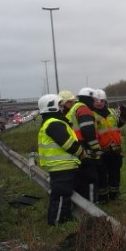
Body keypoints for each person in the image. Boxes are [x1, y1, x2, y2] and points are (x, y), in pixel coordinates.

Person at [37, 94, 86, 226]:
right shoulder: (54, 124)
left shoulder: (52, 122)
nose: (63, 108)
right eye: (60, 105)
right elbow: (67, 143)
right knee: (60, 197)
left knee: (63, 196)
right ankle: (57, 223)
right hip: (62, 166)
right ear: (52, 107)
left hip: (61, 166)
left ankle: (63, 218)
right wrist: (80, 152)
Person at [66, 87, 102, 202]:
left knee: (80, 180)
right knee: (90, 179)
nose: (95, 103)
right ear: (88, 98)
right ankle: (91, 208)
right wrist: (96, 148)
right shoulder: (84, 109)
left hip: (75, 149)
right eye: (93, 100)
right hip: (85, 150)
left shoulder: (74, 108)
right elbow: (88, 131)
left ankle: (81, 206)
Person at [92, 89, 126, 201]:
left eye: (101, 101)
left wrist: (124, 115)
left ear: (105, 101)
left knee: (115, 173)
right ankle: (103, 197)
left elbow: (119, 124)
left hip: (115, 149)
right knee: (102, 175)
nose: (99, 103)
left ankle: (115, 194)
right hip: (102, 150)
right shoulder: (91, 114)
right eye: (96, 101)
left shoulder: (111, 112)